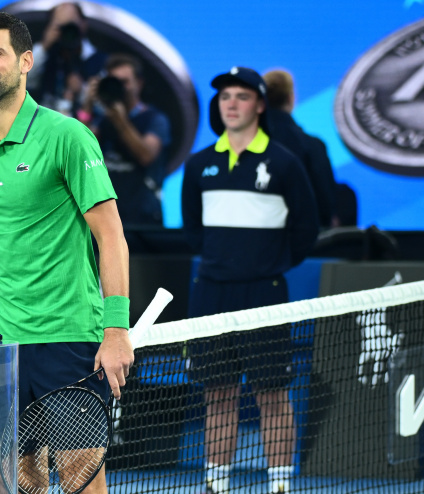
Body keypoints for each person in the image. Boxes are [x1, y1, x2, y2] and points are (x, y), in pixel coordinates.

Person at [0, 12, 132, 494]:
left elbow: (111, 237)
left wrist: (116, 330)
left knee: (81, 483)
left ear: (26, 61)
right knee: (16, 483)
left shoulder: (67, 136)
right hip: (1, 344)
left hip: (67, 340)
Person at [181, 67, 319, 494]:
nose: (232, 104)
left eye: (242, 96)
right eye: (225, 97)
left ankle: (280, 486)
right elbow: (193, 231)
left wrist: (266, 264)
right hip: (211, 294)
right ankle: (216, 484)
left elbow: (306, 230)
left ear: (259, 105)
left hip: (265, 293)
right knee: (217, 393)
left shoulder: (285, 163)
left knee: (271, 394)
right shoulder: (198, 165)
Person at [84, 53, 171, 226]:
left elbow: (146, 156)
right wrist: (87, 105)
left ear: (139, 83)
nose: (120, 88)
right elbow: (79, 150)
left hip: (143, 221)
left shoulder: (155, 119)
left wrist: (120, 120)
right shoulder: (103, 120)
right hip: (107, 219)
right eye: (114, 81)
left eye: (124, 82)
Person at [263, 69, 337, 229]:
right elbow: (325, 205)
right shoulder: (313, 146)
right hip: (301, 237)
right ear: (291, 98)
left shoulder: (242, 144)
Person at [27, 2, 106, 115]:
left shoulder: (100, 61)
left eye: (71, 26)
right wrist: (45, 45)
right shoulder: (46, 55)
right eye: (62, 27)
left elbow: (105, 107)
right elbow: (23, 80)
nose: (67, 32)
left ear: (83, 25)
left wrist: (82, 90)